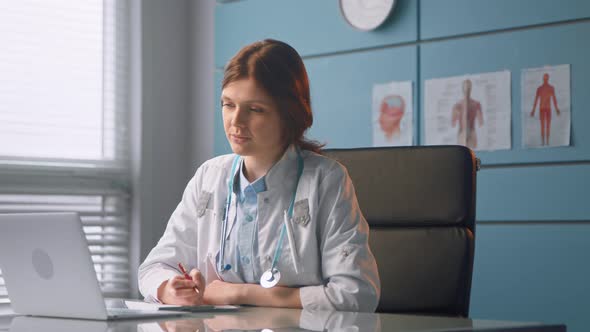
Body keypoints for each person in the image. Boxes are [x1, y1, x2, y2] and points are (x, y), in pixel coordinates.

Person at [138, 39, 380, 312]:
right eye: (228, 104)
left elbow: (356, 294)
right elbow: (154, 268)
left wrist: (238, 293)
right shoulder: (209, 176)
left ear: (289, 113)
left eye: (255, 109)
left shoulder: (326, 180)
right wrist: (169, 289)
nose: (236, 122)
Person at [451, 79, 483, 149]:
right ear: (462, 89)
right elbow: (453, 124)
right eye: (465, 88)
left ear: (471, 89)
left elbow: (481, 123)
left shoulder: (476, 104)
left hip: (472, 133)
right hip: (461, 134)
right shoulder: (457, 105)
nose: (467, 91)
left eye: (468, 88)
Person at [530, 73, 560, 146]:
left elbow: (554, 99)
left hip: (548, 108)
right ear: (543, 79)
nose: (545, 79)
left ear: (548, 79)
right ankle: (543, 142)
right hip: (542, 109)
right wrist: (533, 110)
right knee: (542, 125)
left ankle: (547, 142)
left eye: (546, 78)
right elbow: (536, 100)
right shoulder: (539, 89)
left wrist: (557, 109)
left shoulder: (551, 88)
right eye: (544, 78)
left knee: (548, 125)